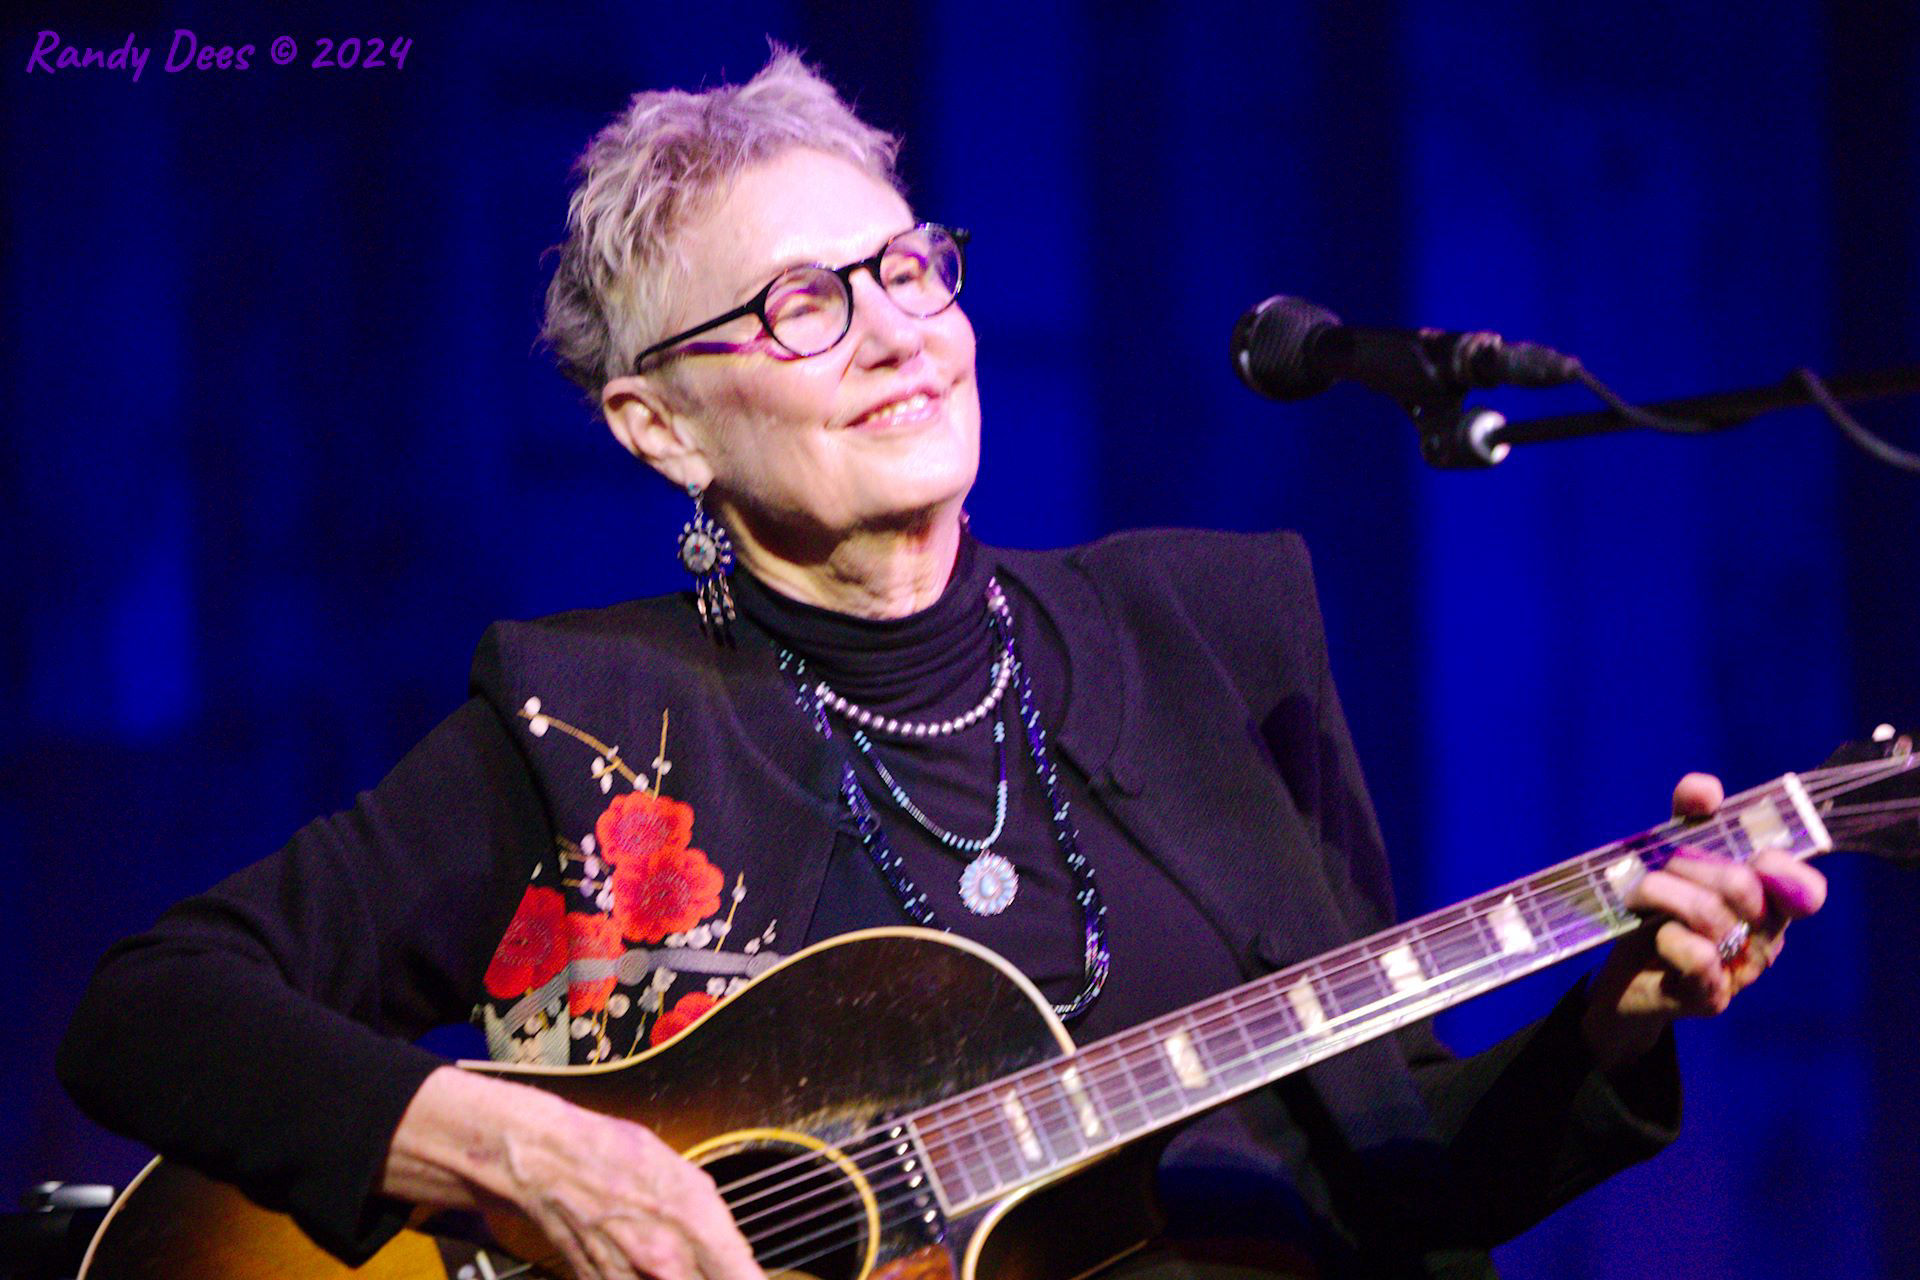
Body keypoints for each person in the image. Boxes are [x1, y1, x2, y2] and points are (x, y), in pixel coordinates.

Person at [58, 50, 1827, 1280]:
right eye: (800, 304)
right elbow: (149, 1009)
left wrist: (1618, 1013)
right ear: (659, 427)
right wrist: (520, 1153)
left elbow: (1398, 1162)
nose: (897, 331)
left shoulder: (1216, 629)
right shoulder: (585, 725)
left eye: (907, 268)